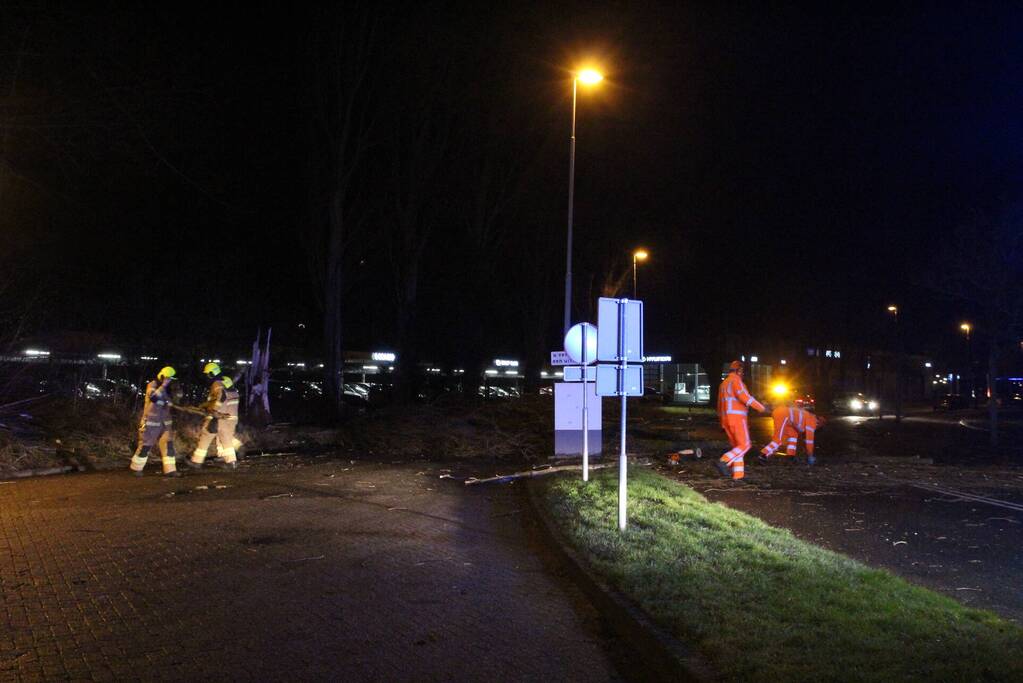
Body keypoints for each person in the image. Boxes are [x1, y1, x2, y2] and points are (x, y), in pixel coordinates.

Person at [715, 360, 766, 479]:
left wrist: (722, 422)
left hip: (726, 420)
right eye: (742, 372)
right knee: (745, 445)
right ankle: (723, 461)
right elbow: (745, 397)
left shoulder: (724, 384)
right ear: (739, 371)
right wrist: (761, 408)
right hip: (737, 418)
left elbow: (719, 405)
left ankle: (738, 475)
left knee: (737, 448)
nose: (743, 374)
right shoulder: (736, 381)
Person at [188, 362, 241, 470]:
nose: (206, 376)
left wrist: (213, 410)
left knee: (210, 437)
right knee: (219, 438)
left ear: (212, 373)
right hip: (221, 417)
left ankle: (197, 461)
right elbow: (216, 399)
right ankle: (230, 461)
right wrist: (204, 405)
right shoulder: (224, 384)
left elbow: (221, 397)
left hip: (217, 417)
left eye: (207, 374)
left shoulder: (217, 384)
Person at [130, 366, 181, 477]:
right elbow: (153, 398)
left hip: (165, 423)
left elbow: (168, 402)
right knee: (146, 445)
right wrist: (163, 385)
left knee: (168, 445)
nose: (171, 381)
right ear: (163, 377)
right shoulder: (152, 385)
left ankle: (170, 470)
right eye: (169, 379)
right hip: (151, 422)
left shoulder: (167, 389)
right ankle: (136, 468)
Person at [758, 405, 822, 465]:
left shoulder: (809, 417)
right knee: (778, 439)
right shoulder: (812, 421)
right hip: (783, 414)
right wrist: (810, 455)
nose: (816, 428)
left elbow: (798, 428)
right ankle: (763, 455)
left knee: (793, 436)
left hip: (787, 418)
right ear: (818, 422)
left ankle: (790, 456)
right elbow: (809, 441)